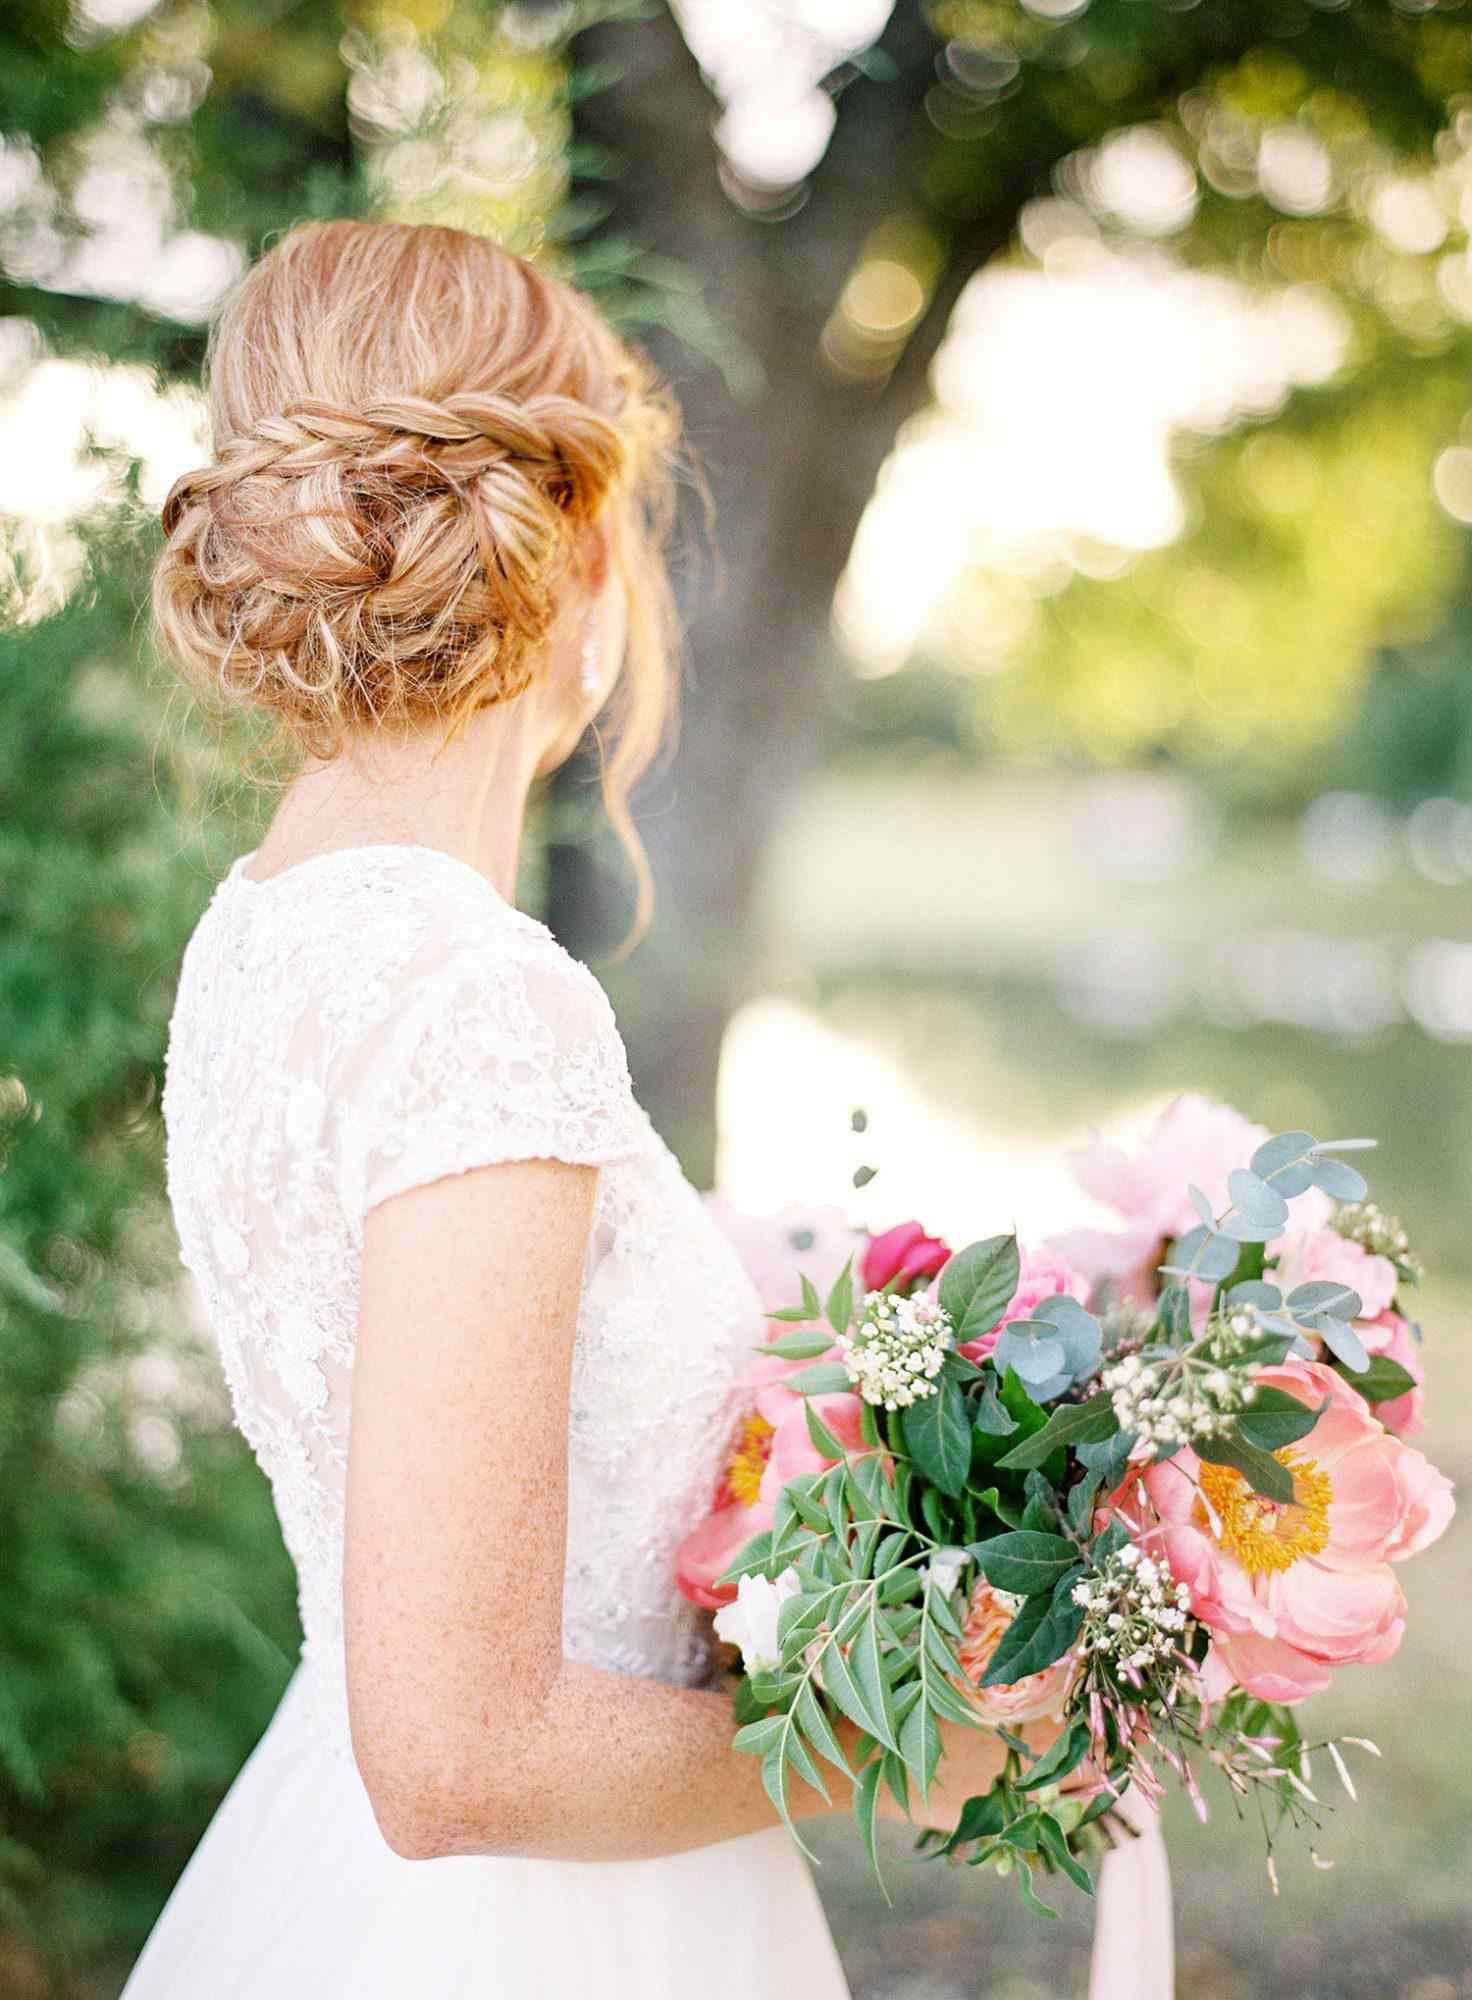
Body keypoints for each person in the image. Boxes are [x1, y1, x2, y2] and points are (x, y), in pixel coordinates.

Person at [124, 218, 1039, 1997]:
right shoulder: (475, 997)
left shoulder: (259, 939)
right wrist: (912, 1739)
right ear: (580, 548)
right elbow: (461, 1758)